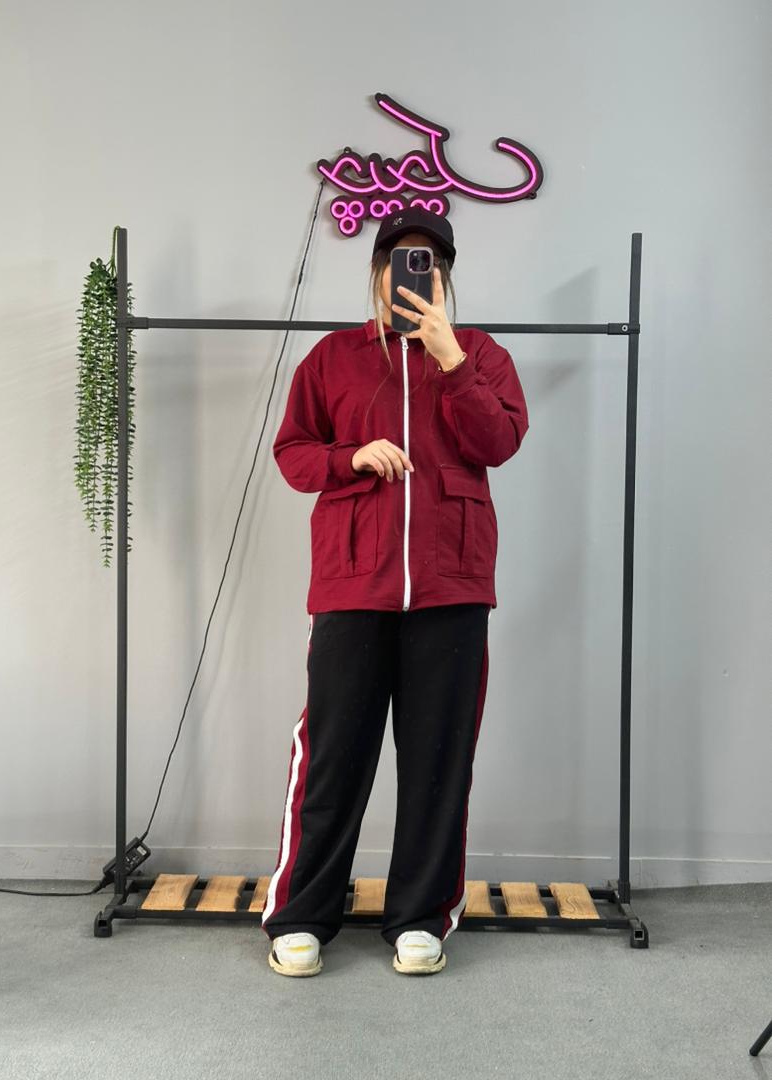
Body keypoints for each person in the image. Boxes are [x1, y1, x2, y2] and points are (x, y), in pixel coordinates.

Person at [260, 206, 529, 977]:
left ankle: (420, 917)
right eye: (401, 260)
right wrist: (350, 457)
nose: (415, 272)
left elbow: (499, 442)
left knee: (440, 761)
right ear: (378, 272)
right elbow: (294, 452)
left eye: (429, 262)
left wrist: (452, 361)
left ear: (444, 277)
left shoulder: (481, 354)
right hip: (353, 583)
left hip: (452, 585)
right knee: (333, 758)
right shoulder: (333, 357)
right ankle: (301, 914)